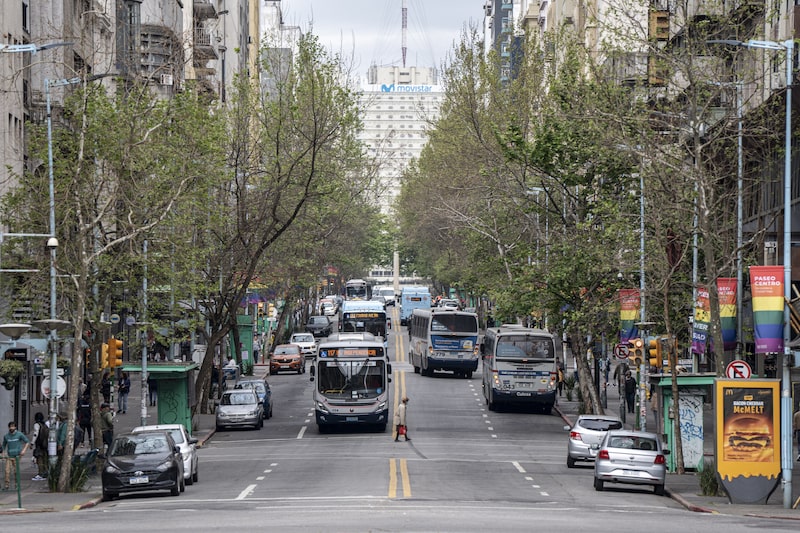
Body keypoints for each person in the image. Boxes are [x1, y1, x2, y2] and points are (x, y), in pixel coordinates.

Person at [2, 421, 29, 490]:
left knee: (16, 471)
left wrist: (24, 450)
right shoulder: (6, 436)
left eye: (13, 426)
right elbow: (3, 446)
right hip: (9, 456)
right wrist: (3, 453)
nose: (12, 428)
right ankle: (7, 485)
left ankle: (17, 484)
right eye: (10, 427)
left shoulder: (19, 434)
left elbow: (27, 442)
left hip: (17, 456)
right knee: (7, 470)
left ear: (15, 427)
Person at [30, 412, 49, 480]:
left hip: (39, 444)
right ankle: (46, 472)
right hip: (45, 444)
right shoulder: (44, 425)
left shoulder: (37, 425)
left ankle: (41, 473)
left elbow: (35, 434)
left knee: (39, 459)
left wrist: (32, 443)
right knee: (45, 459)